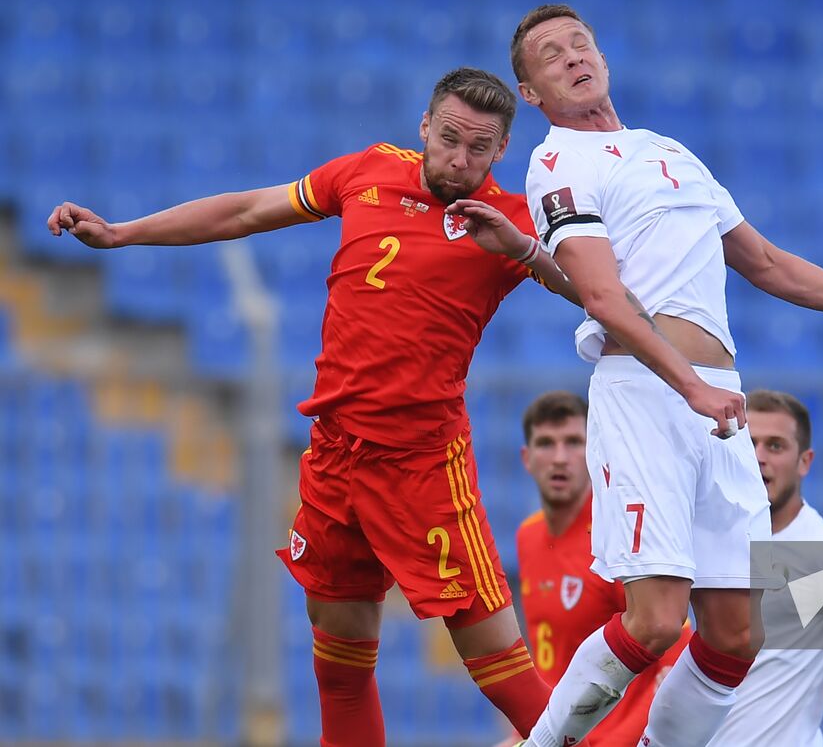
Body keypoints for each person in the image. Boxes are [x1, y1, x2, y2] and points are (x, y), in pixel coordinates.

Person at [47, 68, 576, 747]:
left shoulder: (509, 222)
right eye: (449, 139)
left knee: (503, 676)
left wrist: (527, 249)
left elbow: (595, 291)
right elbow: (245, 210)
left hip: (423, 470)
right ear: (424, 127)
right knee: (341, 663)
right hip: (334, 456)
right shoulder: (370, 171)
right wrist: (123, 233)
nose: (460, 160)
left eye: (479, 148)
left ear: (502, 150)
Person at [449, 3, 823, 747]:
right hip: (647, 396)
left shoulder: (671, 152)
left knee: (737, 634)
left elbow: (765, 261)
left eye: (582, 42)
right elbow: (604, 297)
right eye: (551, 54)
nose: (574, 56)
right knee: (656, 617)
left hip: (714, 401)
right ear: (531, 92)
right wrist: (688, 384)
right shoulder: (556, 164)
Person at [509, 390, 688, 746]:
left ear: (594, 452)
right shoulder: (527, 536)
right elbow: (552, 662)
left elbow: (677, 647)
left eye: (574, 442)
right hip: (556, 733)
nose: (560, 458)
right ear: (527, 459)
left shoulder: (616, 536)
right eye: (546, 443)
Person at [706, 389, 823, 747]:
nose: (758, 457)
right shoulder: (702, 537)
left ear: (805, 461)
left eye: (775, 446)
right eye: (749, 443)